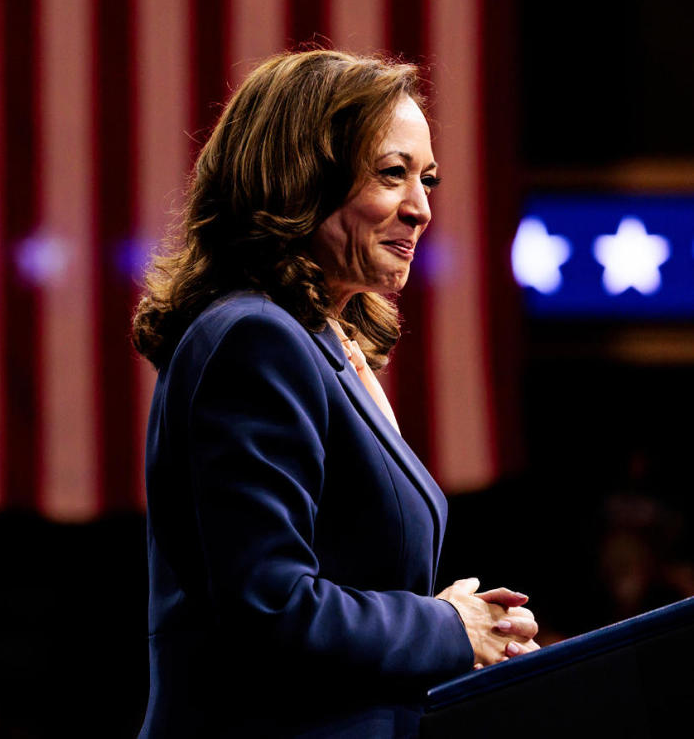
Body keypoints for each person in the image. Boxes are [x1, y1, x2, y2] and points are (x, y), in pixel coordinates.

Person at [131, 50, 539, 738]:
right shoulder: (254, 340)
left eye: (428, 179)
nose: (421, 208)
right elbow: (271, 608)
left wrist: (466, 626)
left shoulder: (324, 344)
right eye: (392, 174)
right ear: (299, 176)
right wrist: (446, 627)